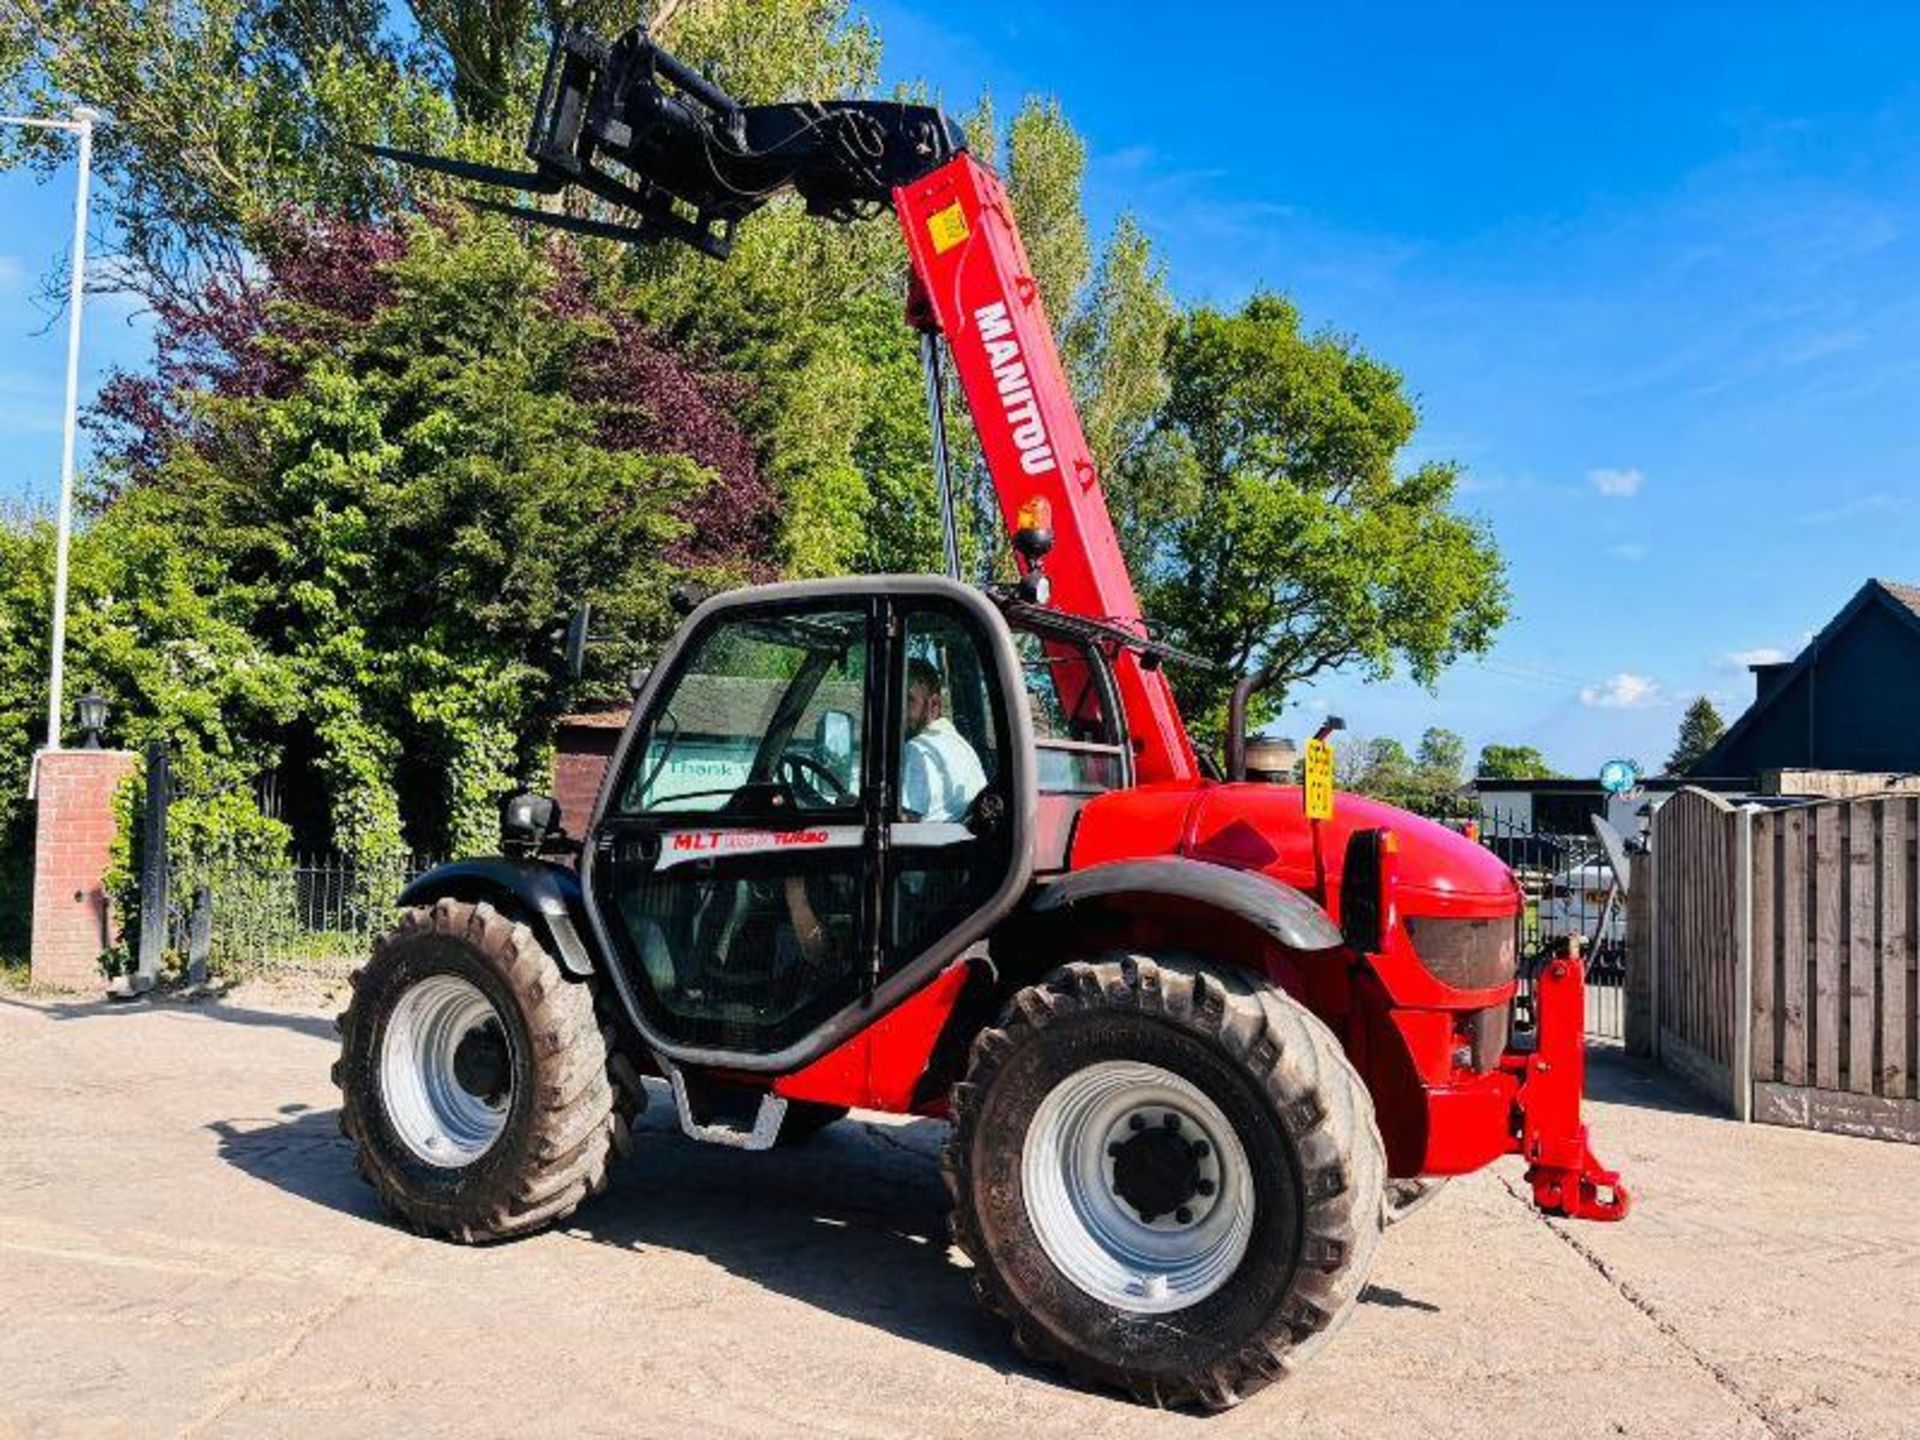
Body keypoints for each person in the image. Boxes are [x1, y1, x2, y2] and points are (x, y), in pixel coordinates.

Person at [901, 657, 987, 822]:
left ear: (933, 705)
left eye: (908, 700)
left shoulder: (919, 748)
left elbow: (906, 821)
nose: (899, 711)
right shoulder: (961, 745)